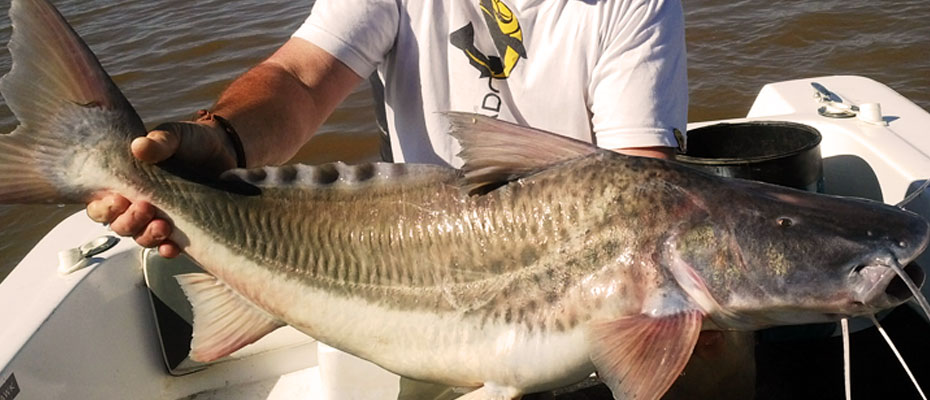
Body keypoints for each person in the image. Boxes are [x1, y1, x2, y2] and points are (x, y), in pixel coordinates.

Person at [87, 0, 748, 399]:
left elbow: (638, 187)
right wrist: (219, 140)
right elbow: (299, 78)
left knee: (710, 354)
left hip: (575, 261)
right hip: (402, 261)